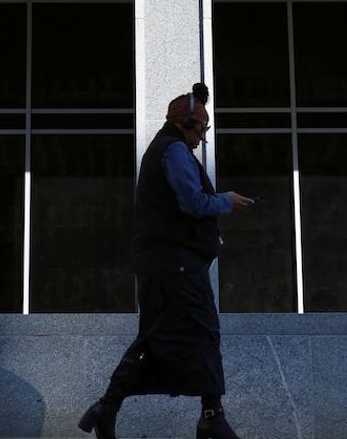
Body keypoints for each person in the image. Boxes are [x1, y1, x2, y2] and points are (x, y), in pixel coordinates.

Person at [78, 83, 255, 439]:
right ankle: (211, 417)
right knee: (203, 330)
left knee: (155, 338)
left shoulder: (165, 149)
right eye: (201, 130)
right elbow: (192, 202)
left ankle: (106, 408)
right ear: (185, 123)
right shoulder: (173, 151)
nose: (202, 139)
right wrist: (226, 201)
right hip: (176, 266)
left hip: (162, 265)